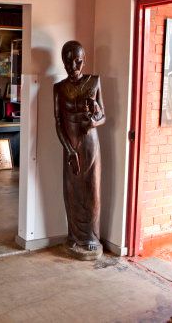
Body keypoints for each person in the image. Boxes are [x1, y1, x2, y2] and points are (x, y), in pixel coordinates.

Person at [54, 41, 106, 260]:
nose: (72, 65)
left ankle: (91, 237)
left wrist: (93, 121)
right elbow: (57, 122)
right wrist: (69, 151)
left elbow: (103, 115)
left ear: (83, 60)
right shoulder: (58, 88)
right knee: (71, 191)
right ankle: (74, 236)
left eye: (77, 60)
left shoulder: (94, 81)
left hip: (90, 144)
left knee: (92, 190)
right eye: (68, 60)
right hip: (70, 146)